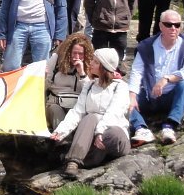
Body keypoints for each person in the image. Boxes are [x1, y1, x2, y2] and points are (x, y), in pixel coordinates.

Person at [50, 47, 131, 179]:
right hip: (93, 141)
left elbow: (114, 113)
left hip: (113, 137)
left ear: (104, 66)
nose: (91, 63)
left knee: (101, 123)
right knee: (89, 117)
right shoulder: (89, 86)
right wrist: (61, 131)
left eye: (95, 61)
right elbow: (77, 112)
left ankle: (76, 157)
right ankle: (74, 162)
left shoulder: (120, 86)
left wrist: (100, 132)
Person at [128, 9, 184, 145]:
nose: (173, 28)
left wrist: (166, 79)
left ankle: (169, 126)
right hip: (149, 95)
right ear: (160, 26)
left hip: (171, 97)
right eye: (168, 25)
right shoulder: (147, 46)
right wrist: (132, 96)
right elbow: (137, 72)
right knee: (121, 95)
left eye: (177, 25)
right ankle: (141, 129)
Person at [45, 32, 92, 131]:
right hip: (56, 103)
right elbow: (45, 85)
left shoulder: (90, 65)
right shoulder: (55, 60)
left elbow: (91, 91)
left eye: (81, 54)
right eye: (74, 53)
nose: (77, 57)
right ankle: (63, 141)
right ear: (68, 52)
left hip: (77, 106)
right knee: (56, 110)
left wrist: (82, 73)